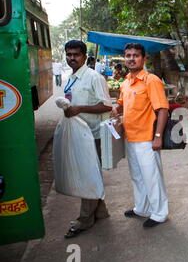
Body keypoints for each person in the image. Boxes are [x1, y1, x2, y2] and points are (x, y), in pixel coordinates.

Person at [111, 43, 170, 228]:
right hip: (131, 138)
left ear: (144, 59)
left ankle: (159, 213)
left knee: (152, 177)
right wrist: (115, 109)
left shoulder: (151, 80)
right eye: (128, 55)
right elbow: (121, 104)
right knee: (137, 176)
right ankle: (142, 208)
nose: (131, 58)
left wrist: (158, 136)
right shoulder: (126, 82)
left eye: (135, 55)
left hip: (147, 139)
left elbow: (162, 110)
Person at [62, 40, 113, 238]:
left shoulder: (94, 77)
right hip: (79, 134)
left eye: (75, 54)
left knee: (87, 177)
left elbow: (107, 106)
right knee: (90, 174)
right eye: (69, 54)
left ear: (84, 56)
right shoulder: (71, 77)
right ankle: (100, 212)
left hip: (94, 135)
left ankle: (84, 220)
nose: (71, 58)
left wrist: (79, 109)